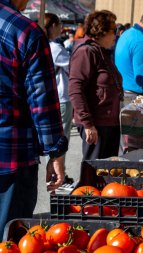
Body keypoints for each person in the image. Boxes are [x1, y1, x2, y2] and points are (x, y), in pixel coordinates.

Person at [0, 0, 68, 237]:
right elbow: (43, 101)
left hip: (11, 153)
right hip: (11, 157)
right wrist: (55, 152)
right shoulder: (25, 31)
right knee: (9, 238)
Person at [69, 10, 123, 161]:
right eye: (114, 30)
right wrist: (88, 124)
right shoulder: (86, 51)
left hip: (107, 122)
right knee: (93, 173)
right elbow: (75, 89)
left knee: (106, 172)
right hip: (96, 123)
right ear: (102, 31)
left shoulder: (100, 51)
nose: (116, 35)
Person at [44, 13, 74, 186]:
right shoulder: (55, 48)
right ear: (53, 26)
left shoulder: (45, 45)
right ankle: (58, 174)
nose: (61, 27)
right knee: (63, 138)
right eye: (60, 24)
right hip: (61, 97)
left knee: (57, 138)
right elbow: (73, 68)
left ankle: (58, 173)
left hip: (52, 97)